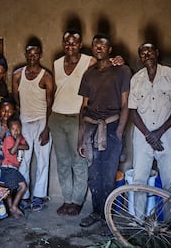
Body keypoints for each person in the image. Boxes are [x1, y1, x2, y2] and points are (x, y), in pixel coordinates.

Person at [50, 29, 125, 217]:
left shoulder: (100, 64)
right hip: (69, 119)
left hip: (94, 121)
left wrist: (120, 60)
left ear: (81, 44)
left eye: (74, 42)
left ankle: (85, 205)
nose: (70, 45)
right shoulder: (65, 66)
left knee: (89, 165)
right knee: (71, 164)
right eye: (67, 42)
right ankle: (74, 203)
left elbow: (125, 101)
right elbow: (69, 99)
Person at [128, 43, 171, 218]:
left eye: (149, 51)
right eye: (142, 53)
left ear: (157, 53)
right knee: (139, 182)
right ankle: (138, 222)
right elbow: (132, 111)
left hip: (167, 139)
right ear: (139, 57)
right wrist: (149, 135)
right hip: (142, 140)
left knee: (168, 183)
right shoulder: (136, 79)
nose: (146, 55)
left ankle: (166, 226)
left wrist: (159, 132)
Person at [77, 34, 131, 230]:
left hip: (111, 127)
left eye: (103, 45)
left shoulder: (122, 71)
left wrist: (118, 132)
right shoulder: (88, 74)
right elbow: (83, 108)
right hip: (91, 128)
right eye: (95, 45)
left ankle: (108, 216)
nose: (98, 48)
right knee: (93, 174)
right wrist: (80, 137)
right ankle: (96, 212)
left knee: (108, 176)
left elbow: (126, 104)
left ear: (110, 49)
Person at [12, 40, 54, 212]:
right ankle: (24, 195)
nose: (32, 57)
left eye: (35, 53)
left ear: (40, 55)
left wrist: (47, 128)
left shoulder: (46, 76)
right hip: (24, 122)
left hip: (42, 121)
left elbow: (51, 102)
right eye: (29, 53)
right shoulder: (17, 75)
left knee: (43, 160)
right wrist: (23, 116)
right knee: (24, 160)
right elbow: (16, 98)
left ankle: (38, 196)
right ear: (25, 54)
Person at [0, 116, 29, 219]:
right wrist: (18, 142)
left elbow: (27, 147)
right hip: (8, 168)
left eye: (18, 129)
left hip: (14, 169)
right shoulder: (8, 139)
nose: (16, 131)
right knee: (10, 190)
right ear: (9, 130)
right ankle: (12, 208)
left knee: (23, 186)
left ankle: (13, 207)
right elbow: (12, 151)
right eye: (13, 129)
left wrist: (17, 144)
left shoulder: (19, 139)